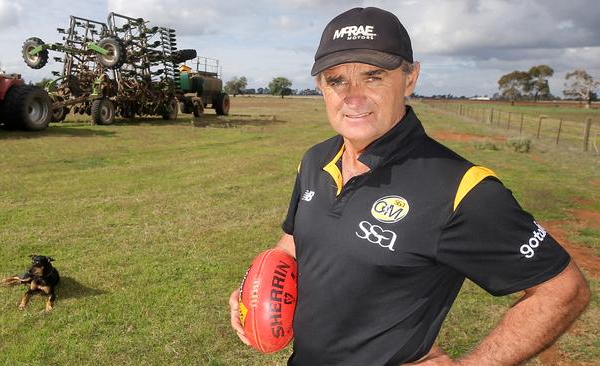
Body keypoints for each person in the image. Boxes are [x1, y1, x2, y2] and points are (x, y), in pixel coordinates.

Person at [229, 7, 590, 365]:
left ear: (410, 78)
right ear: (321, 86)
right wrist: (253, 292)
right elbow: (292, 244)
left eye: (373, 77)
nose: (353, 97)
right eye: (337, 79)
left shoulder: (461, 189)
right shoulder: (315, 160)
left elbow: (563, 289)